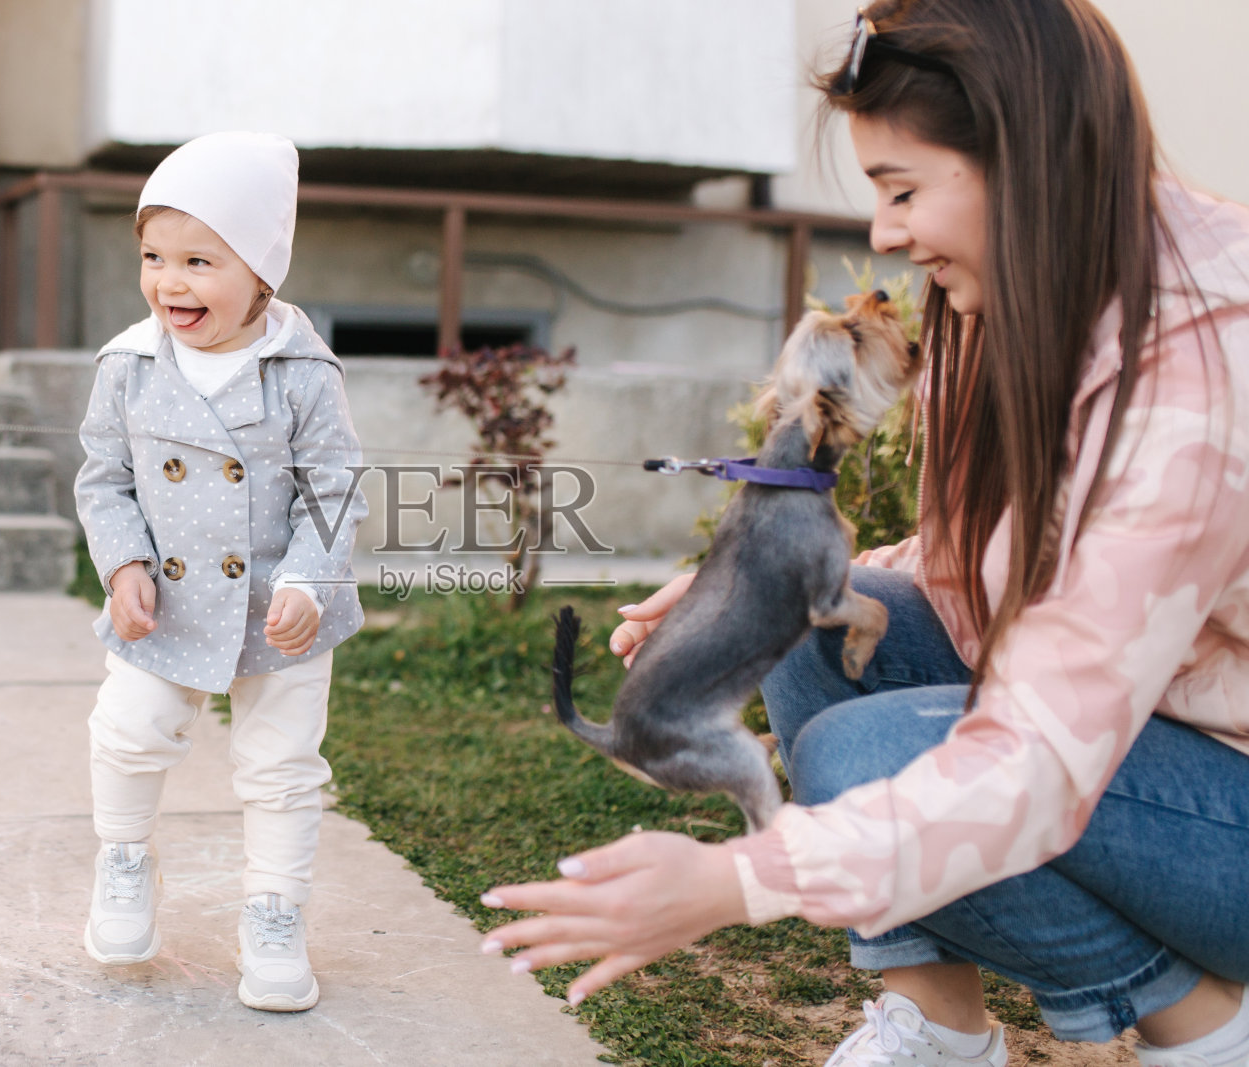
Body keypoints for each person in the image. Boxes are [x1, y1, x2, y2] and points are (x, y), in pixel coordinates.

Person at [480, 2, 1249, 1063]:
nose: (882, 233)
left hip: (1222, 798)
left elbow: (1042, 754)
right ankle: (935, 1025)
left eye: (900, 189)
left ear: (1021, 157)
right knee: (809, 629)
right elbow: (1006, 559)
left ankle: (1203, 1028)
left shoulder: (1195, 372)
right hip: (1163, 734)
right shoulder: (1020, 290)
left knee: (863, 754)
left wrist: (734, 878)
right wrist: (757, 584)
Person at [74, 131, 366, 1013]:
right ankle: (124, 859)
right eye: (154, 257)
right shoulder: (128, 365)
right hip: (164, 606)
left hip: (283, 613)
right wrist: (122, 560)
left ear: (261, 272)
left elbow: (334, 487)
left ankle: (275, 913)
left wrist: (309, 582)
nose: (171, 282)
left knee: (281, 766)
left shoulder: (304, 374)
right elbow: (104, 476)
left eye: (200, 260)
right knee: (127, 731)